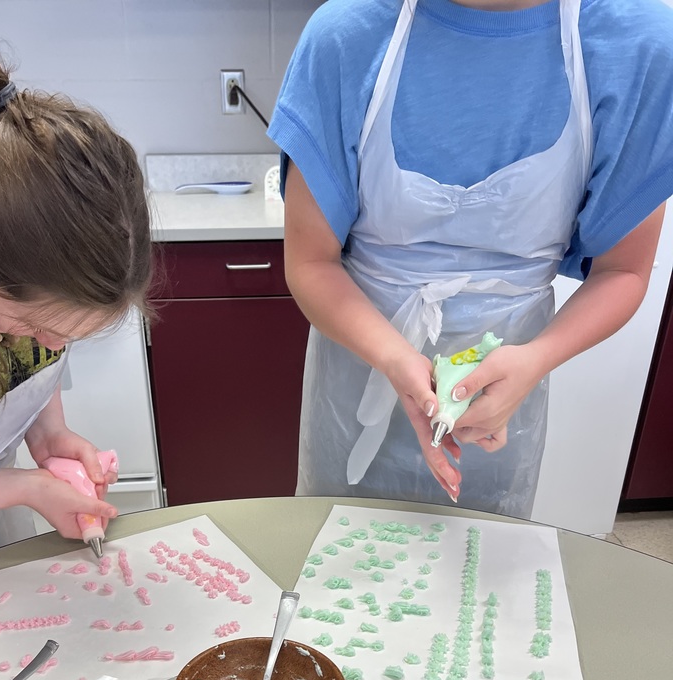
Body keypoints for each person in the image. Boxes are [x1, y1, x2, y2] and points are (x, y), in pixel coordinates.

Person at [268, 0, 673, 518]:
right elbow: (310, 263)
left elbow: (624, 271)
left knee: (478, 575)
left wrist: (535, 360)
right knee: (344, 566)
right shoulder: (346, 34)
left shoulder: (638, 47)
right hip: (358, 384)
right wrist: (395, 358)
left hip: (500, 410)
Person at [0, 48, 153, 582]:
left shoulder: (25, 285)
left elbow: (33, 364)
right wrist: (23, 487)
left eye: (69, 335)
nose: (52, 345)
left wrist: (49, 435)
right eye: (35, 326)